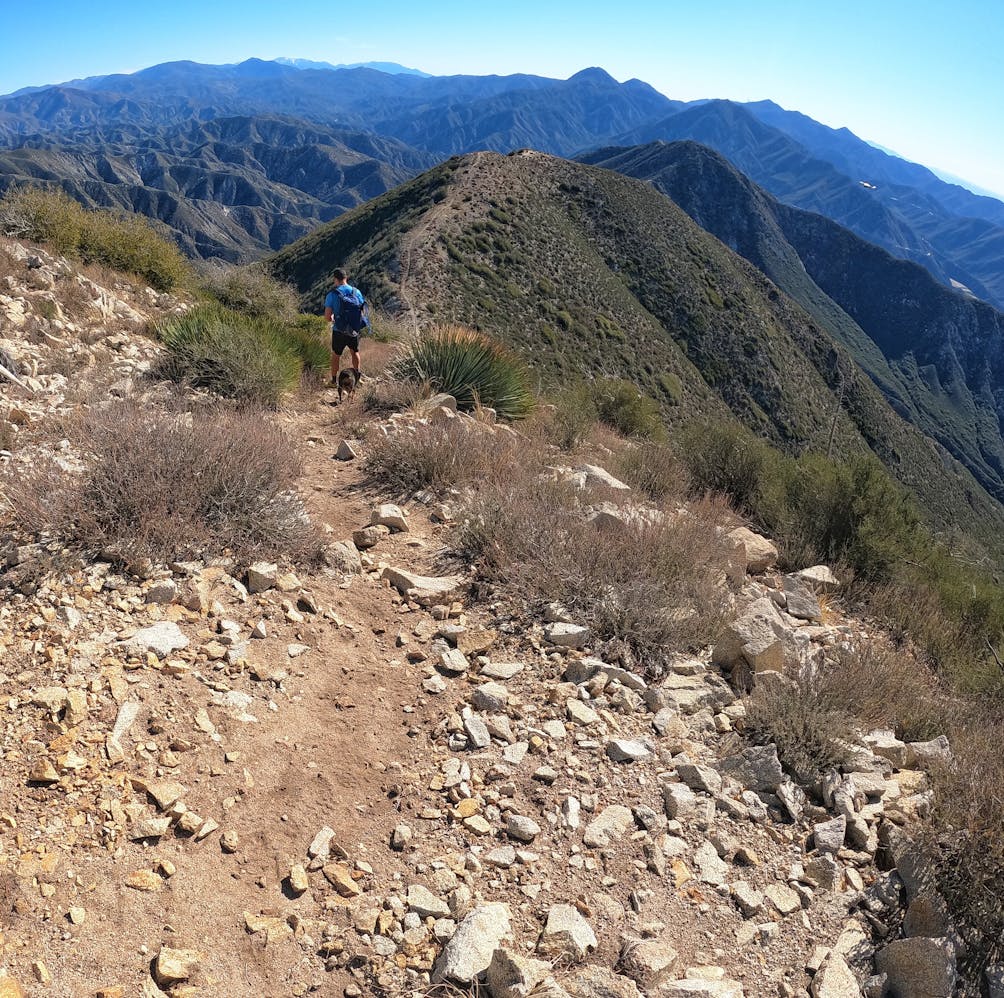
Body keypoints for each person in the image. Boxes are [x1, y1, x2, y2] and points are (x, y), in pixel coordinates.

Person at [323, 268, 368, 386]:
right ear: (346, 278)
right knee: (355, 352)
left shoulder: (332, 294)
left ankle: (333, 381)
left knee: (336, 355)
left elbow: (327, 317)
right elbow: (362, 311)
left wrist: (333, 318)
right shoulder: (356, 292)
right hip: (354, 329)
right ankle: (358, 379)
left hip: (339, 330)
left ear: (335, 280)